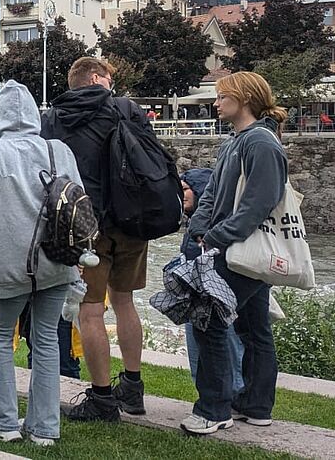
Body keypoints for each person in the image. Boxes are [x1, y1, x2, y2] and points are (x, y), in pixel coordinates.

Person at [0, 80, 83, 447]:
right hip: (57, 262)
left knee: (1, 338)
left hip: (11, 265)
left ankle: (3, 421)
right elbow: (79, 206)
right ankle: (45, 428)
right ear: (34, 113)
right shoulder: (59, 150)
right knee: (47, 339)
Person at [40, 57, 156, 422]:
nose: (112, 82)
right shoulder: (126, 109)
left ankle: (103, 397)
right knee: (125, 302)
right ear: (95, 78)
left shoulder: (55, 117)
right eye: (109, 76)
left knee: (90, 310)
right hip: (131, 220)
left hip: (85, 225)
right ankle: (133, 388)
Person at [180, 71, 287, 435]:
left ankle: (213, 408)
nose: (216, 102)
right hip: (237, 249)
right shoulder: (236, 141)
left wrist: (215, 237)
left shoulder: (260, 143)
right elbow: (212, 192)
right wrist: (198, 228)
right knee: (252, 327)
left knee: (207, 319)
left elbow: (258, 204)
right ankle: (254, 405)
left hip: (240, 251)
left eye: (222, 97)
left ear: (242, 99)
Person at [179, 168, 244, 397]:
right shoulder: (194, 223)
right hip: (194, 292)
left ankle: (228, 395)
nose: (181, 193)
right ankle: (210, 394)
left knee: (222, 341)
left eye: (185, 188)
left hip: (210, 293)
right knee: (200, 345)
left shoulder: (209, 226)